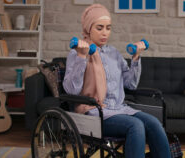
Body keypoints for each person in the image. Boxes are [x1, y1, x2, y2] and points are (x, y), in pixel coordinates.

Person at [63, 4, 171, 158]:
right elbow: (71, 90)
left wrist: (135, 58)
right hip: (93, 113)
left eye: (108, 28)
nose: (105, 33)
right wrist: (82, 57)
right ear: (88, 29)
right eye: (99, 28)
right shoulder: (77, 52)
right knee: (136, 126)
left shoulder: (114, 53)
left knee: (154, 123)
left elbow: (130, 84)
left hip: (119, 109)